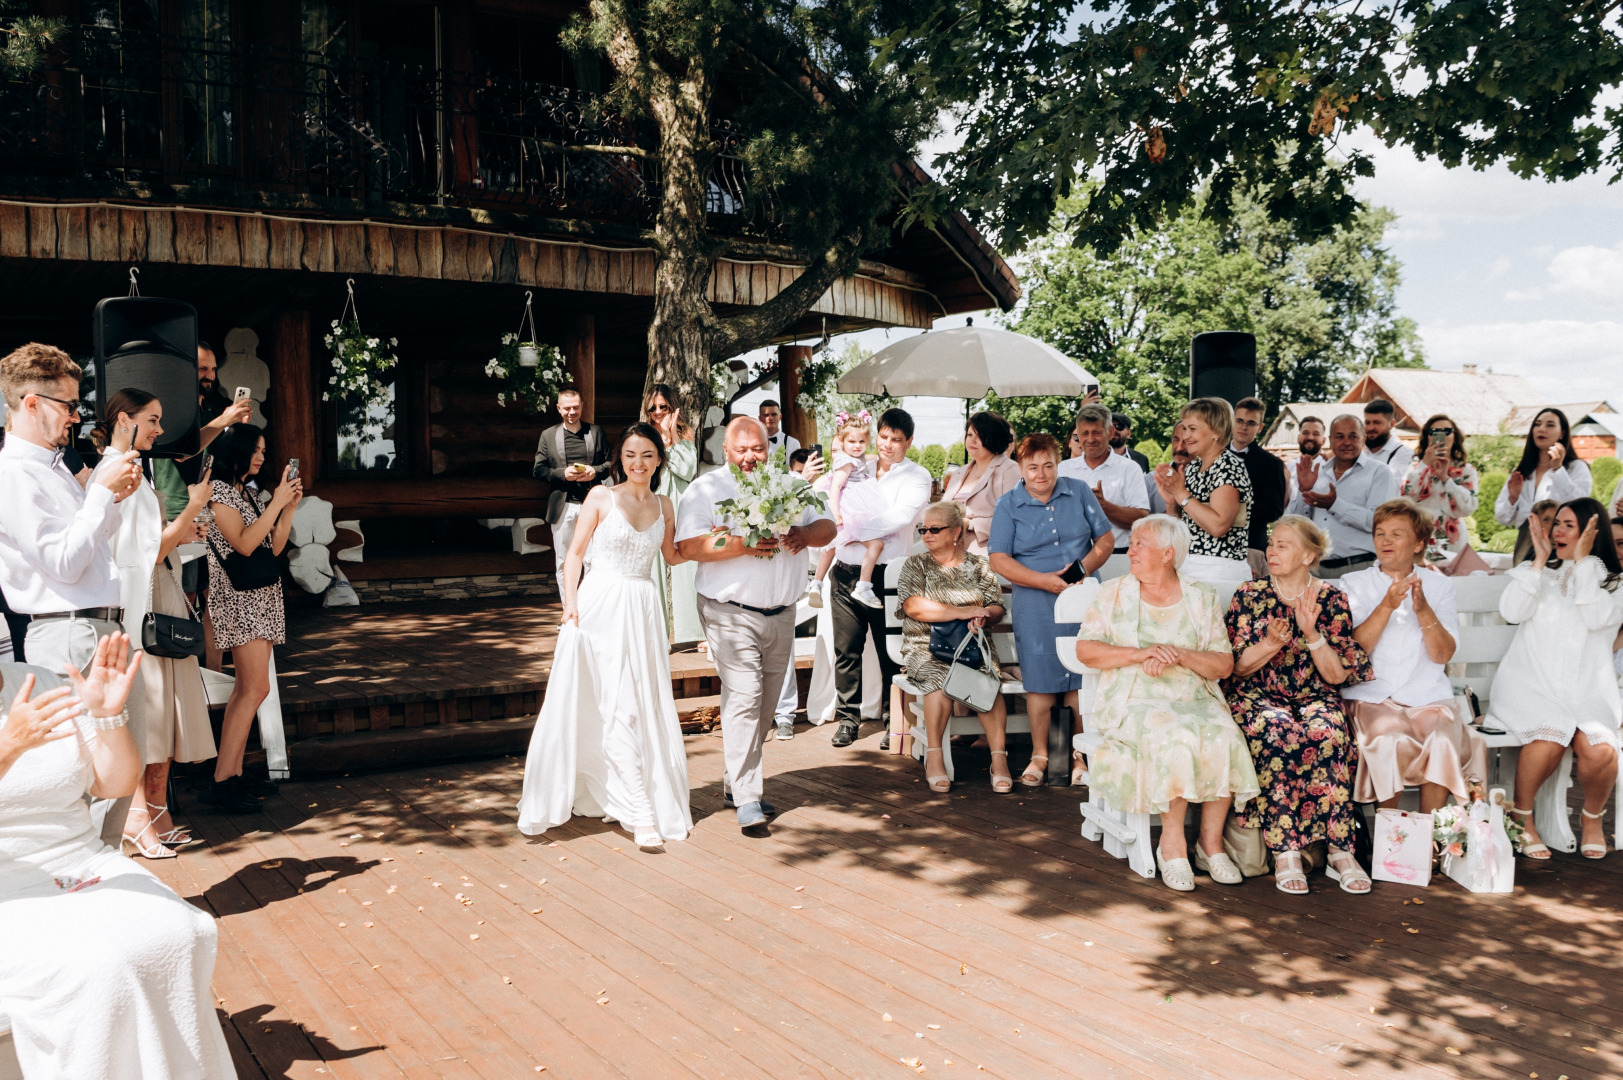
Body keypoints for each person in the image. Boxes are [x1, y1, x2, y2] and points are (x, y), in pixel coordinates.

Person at [0, 635, 238, 1079]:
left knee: (179, 930)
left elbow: (113, 784)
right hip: (9, 892)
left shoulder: (40, 683)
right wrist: (9, 747)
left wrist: (107, 717)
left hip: (82, 862)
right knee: (98, 965)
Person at [518, 424, 693, 849]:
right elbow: (575, 554)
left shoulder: (666, 504)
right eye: (631, 454)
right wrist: (570, 605)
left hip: (642, 608)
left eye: (647, 455)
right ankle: (640, 812)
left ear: (659, 460)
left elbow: (673, 555)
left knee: (636, 703)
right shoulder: (600, 496)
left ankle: (628, 796)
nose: (639, 463)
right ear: (620, 459)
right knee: (615, 705)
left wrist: (729, 539)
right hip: (600, 606)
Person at [0, 342, 141, 846]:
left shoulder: (54, 464)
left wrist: (113, 496)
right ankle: (88, 878)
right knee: (83, 774)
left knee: (121, 762)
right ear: (31, 402)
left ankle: (103, 870)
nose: (77, 417)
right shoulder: (13, 473)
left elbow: (93, 544)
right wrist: (100, 492)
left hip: (95, 626)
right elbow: (62, 561)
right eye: (68, 405)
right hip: (65, 631)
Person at [1075, 515, 1260, 890]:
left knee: (1223, 735)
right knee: (1174, 738)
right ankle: (1172, 845)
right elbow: (1086, 650)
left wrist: (1178, 654)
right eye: (1135, 542)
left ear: (1168, 553)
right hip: (1135, 699)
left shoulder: (1200, 596)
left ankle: (1210, 846)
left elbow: (1223, 664)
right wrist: (1141, 654)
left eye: (1141, 544)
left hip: (1194, 696)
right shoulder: (1112, 592)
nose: (1133, 550)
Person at [676, 418, 835, 828]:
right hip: (728, 612)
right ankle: (748, 797)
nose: (750, 457)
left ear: (771, 448)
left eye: (758, 449)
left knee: (764, 705)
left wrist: (803, 534)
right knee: (745, 695)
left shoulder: (791, 484)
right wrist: (741, 543)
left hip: (782, 613)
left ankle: (734, 779)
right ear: (726, 450)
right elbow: (688, 545)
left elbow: (828, 526)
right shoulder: (707, 489)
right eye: (741, 449)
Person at [90, 390, 217, 859]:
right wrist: (192, 506)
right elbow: (139, 555)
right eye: (153, 420)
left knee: (161, 716)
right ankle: (136, 819)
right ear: (126, 421)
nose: (161, 430)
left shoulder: (135, 470)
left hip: (156, 595)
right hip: (135, 607)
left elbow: (150, 544)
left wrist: (184, 529)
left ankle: (155, 812)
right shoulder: (115, 471)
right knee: (147, 714)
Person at [1224, 515, 1373, 894]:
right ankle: (1286, 852)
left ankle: (1341, 851)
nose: (1271, 551)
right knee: (1277, 734)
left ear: (1309, 555)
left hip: (1314, 695)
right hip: (1257, 694)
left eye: (1283, 545)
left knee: (1329, 733)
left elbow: (1337, 676)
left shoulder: (1332, 599)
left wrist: (1311, 633)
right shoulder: (1250, 594)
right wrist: (1271, 644)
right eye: (1272, 544)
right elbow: (1237, 669)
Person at [1490, 497, 1623, 860]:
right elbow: (1512, 612)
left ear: (1591, 534)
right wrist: (1536, 561)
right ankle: (1523, 817)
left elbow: (1597, 619)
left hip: (1585, 689)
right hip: (1529, 683)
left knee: (1600, 750)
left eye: (1569, 525)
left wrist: (1581, 564)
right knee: (1549, 735)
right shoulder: (1539, 574)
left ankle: (1592, 818)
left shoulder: (1614, 583)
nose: (1558, 531)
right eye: (1557, 524)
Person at [1341, 498, 1486, 816]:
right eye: (1380, 533)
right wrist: (1386, 606)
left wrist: (1423, 610)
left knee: (1442, 741)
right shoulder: (1354, 584)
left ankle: (1427, 838)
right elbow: (1354, 652)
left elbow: (1442, 654)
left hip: (1428, 698)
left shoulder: (1438, 586)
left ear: (1418, 542)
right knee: (1387, 741)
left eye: (1396, 534)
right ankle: (1391, 840)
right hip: (1372, 697)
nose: (1386, 541)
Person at [989, 433, 1115, 786]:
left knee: (1082, 677)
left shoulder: (1078, 491)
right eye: (1033, 467)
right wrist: (1042, 581)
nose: (1041, 474)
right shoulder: (1008, 504)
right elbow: (998, 558)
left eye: (1048, 465)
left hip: (1083, 597)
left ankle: (1081, 756)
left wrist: (1082, 571)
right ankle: (1040, 756)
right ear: (1021, 468)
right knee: (1041, 680)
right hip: (1036, 599)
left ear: (1058, 463)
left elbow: (1105, 540)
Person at [202, 424, 301, 813]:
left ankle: (232, 776)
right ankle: (223, 780)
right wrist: (276, 503)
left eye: (263, 450)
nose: (261, 457)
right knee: (254, 689)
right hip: (239, 600)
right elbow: (242, 544)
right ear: (237, 451)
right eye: (255, 450)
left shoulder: (250, 492)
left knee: (249, 689)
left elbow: (271, 546)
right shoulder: (220, 492)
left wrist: (286, 508)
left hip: (261, 597)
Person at [827, 409, 932, 748]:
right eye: (883, 438)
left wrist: (851, 531)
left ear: (909, 442)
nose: (887, 445)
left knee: (891, 652)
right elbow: (830, 492)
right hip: (844, 572)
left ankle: (894, 720)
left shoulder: (917, 476)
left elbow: (900, 518)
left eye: (896, 440)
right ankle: (847, 719)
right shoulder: (858, 465)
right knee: (846, 650)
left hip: (888, 575)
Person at [896, 501, 1014, 793]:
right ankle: (935, 755)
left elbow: (996, 606)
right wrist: (962, 612)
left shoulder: (978, 565)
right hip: (926, 646)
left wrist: (985, 616)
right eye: (923, 529)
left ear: (957, 532)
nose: (927, 535)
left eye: (935, 529)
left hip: (973, 646)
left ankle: (999, 759)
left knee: (986, 680)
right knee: (938, 680)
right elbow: (913, 606)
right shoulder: (916, 564)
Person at [1152, 398, 1254, 584]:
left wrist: (1181, 493)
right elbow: (1184, 527)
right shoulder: (1193, 467)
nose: (1186, 436)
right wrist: (1171, 502)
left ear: (1215, 432)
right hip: (1189, 566)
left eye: (1192, 429)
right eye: (1184, 428)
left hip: (1220, 571)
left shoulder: (1228, 466)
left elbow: (1218, 526)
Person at [1287, 415, 1398, 578]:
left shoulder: (1379, 472)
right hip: (1316, 570)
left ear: (1363, 439)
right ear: (1331, 441)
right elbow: (1299, 524)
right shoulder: (1319, 472)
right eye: (1340, 437)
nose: (1346, 442)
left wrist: (1334, 505)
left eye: (1353, 436)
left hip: (1359, 569)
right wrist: (1305, 489)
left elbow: (1378, 522)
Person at [1495, 408, 1592, 564]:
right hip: (1526, 545)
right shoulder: (1523, 471)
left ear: (1562, 433)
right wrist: (1512, 498)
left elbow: (1580, 507)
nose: (1541, 429)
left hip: (1561, 544)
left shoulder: (1576, 467)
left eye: (1550, 425)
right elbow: (1502, 518)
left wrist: (1558, 469)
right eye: (1537, 424)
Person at [812, 411, 887, 609]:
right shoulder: (846, 461)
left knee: (831, 547)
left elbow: (870, 457)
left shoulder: (856, 457)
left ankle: (817, 583)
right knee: (876, 544)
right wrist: (835, 513)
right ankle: (863, 584)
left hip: (857, 506)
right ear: (842, 441)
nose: (857, 446)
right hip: (852, 510)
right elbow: (835, 487)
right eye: (852, 441)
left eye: (862, 441)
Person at [645, 383, 701, 644]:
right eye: (653, 407)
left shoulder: (686, 432)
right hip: (654, 501)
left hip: (679, 501)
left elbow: (687, 470)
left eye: (663, 406)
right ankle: (659, 635)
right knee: (654, 565)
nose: (658, 411)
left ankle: (692, 632)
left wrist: (672, 439)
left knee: (685, 562)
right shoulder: (644, 434)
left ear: (672, 407)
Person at [533, 386, 612, 561]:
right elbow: (538, 470)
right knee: (564, 560)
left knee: (593, 560)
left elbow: (610, 464)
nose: (572, 412)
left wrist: (595, 471)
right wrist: (562, 474)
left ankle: (589, 590)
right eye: (567, 408)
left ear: (582, 406)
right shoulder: (548, 435)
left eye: (575, 407)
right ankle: (568, 591)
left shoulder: (595, 432)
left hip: (592, 505)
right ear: (559, 408)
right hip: (563, 506)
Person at [1059, 403, 1150, 553]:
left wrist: (1103, 505)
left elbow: (1141, 519)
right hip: (1073, 555)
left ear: (1110, 432)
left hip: (1118, 555)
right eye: (1084, 433)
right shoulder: (1063, 468)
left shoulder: (1130, 468)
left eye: (1096, 433)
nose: (1090, 439)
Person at [1399, 413, 1481, 571]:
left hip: (1453, 537)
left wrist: (1446, 479)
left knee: (1454, 585)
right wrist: (1424, 464)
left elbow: (1468, 507)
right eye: (1434, 432)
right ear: (1427, 437)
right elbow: (1405, 496)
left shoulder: (1466, 470)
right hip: (1421, 534)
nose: (1441, 436)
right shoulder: (1416, 467)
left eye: (1446, 431)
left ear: (1455, 436)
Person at [941, 411, 1021, 556]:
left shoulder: (1009, 470)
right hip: (951, 554)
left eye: (979, 437)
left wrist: (970, 524)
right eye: (970, 435)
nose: (972, 441)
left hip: (989, 557)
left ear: (993, 438)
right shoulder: (959, 472)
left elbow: (1015, 520)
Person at [1231, 397, 1289, 579]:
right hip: (1212, 545)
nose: (1243, 427)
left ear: (1260, 427)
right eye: (1239, 421)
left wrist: (1234, 507)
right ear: (1232, 421)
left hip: (1251, 545)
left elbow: (1275, 510)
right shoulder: (1213, 456)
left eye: (1251, 423)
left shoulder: (1272, 464)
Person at [1362, 398, 1413, 479]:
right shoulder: (1357, 451)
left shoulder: (1404, 454)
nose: (1370, 428)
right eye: (1367, 423)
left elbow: (1396, 488)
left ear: (1391, 424)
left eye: (1377, 422)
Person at [1285, 416, 1327, 504]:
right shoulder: (1287, 469)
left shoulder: (1331, 469)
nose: (1310, 437)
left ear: (1324, 440)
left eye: (1316, 434)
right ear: (1298, 438)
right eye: (1305, 433)